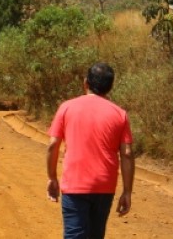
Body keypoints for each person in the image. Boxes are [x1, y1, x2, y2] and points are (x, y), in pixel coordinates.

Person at [46, 63, 135, 239]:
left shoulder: (66, 108)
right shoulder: (120, 114)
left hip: (74, 184)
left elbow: (52, 145)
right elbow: (127, 154)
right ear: (110, 86)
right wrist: (127, 191)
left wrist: (52, 178)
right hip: (105, 186)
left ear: (85, 83)